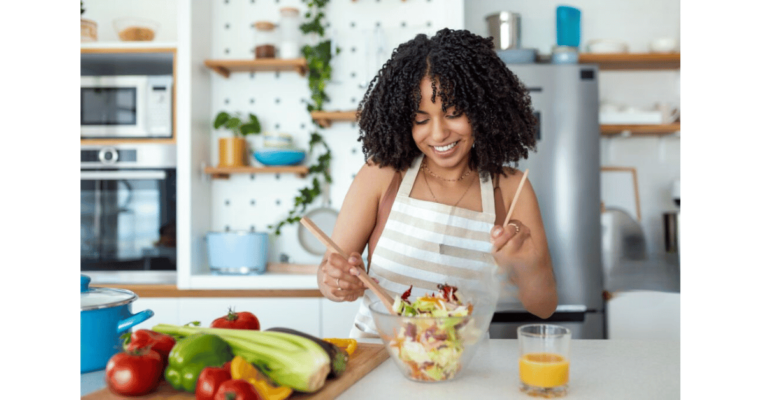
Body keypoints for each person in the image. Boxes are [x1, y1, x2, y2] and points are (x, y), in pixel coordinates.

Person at [316, 28, 557, 338]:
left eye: (454, 113)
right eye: (421, 119)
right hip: (376, 364)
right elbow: (328, 274)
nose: (439, 133)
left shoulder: (510, 189)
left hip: (460, 367)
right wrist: (336, 282)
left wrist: (528, 265)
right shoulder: (383, 175)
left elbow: (544, 307)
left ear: (484, 109)